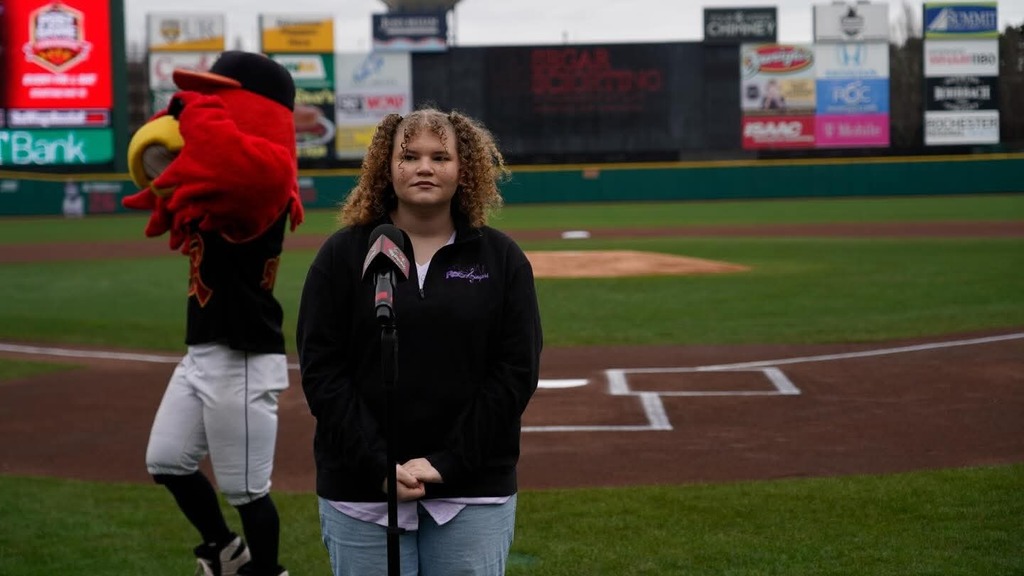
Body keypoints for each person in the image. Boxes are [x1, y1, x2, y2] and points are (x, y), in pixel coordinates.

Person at [296, 107, 543, 575]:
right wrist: (376, 464)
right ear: (387, 168)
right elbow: (323, 372)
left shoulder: (502, 258)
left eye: (440, 156)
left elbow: (515, 373)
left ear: (463, 168)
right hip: (361, 491)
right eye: (409, 156)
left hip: (473, 490)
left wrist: (447, 462)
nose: (424, 167)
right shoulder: (342, 255)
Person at [122, 51, 303, 576]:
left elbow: (235, 168)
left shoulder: (260, 185)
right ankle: (225, 552)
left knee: (247, 490)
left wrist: (195, 112)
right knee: (166, 461)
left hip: (243, 355)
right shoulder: (220, 183)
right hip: (202, 352)